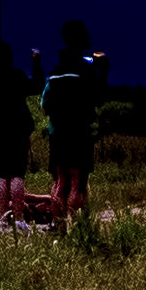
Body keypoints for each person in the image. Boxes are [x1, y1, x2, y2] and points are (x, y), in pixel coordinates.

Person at [39, 21, 104, 219]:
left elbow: (43, 104)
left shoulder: (55, 72)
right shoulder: (87, 70)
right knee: (77, 181)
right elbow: (98, 99)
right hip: (79, 131)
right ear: (83, 40)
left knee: (60, 180)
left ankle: (57, 223)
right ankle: (74, 223)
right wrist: (103, 70)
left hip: (57, 132)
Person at [0, 43, 35, 224]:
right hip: (18, 128)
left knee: (2, 173)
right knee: (17, 174)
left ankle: (3, 219)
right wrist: (37, 64)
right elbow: (35, 86)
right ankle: (19, 218)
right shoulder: (17, 76)